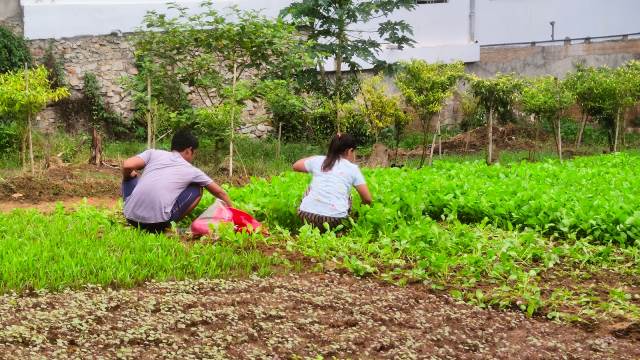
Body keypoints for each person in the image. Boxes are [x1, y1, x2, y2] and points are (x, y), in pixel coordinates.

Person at [121, 129, 232, 233]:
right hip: (157, 224)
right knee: (197, 188)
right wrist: (233, 213)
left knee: (130, 175)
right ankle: (169, 227)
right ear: (189, 151)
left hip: (131, 218)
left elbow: (127, 165)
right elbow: (220, 192)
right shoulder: (192, 171)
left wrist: (129, 175)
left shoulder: (153, 153)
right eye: (194, 153)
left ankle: (131, 206)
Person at [293, 133, 372, 229]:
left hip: (306, 216)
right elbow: (367, 199)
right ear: (350, 151)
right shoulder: (352, 169)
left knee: (310, 189)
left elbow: (296, 165)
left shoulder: (318, 161)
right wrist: (359, 211)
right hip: (335, 220)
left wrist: (315, 157)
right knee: (348, 197)